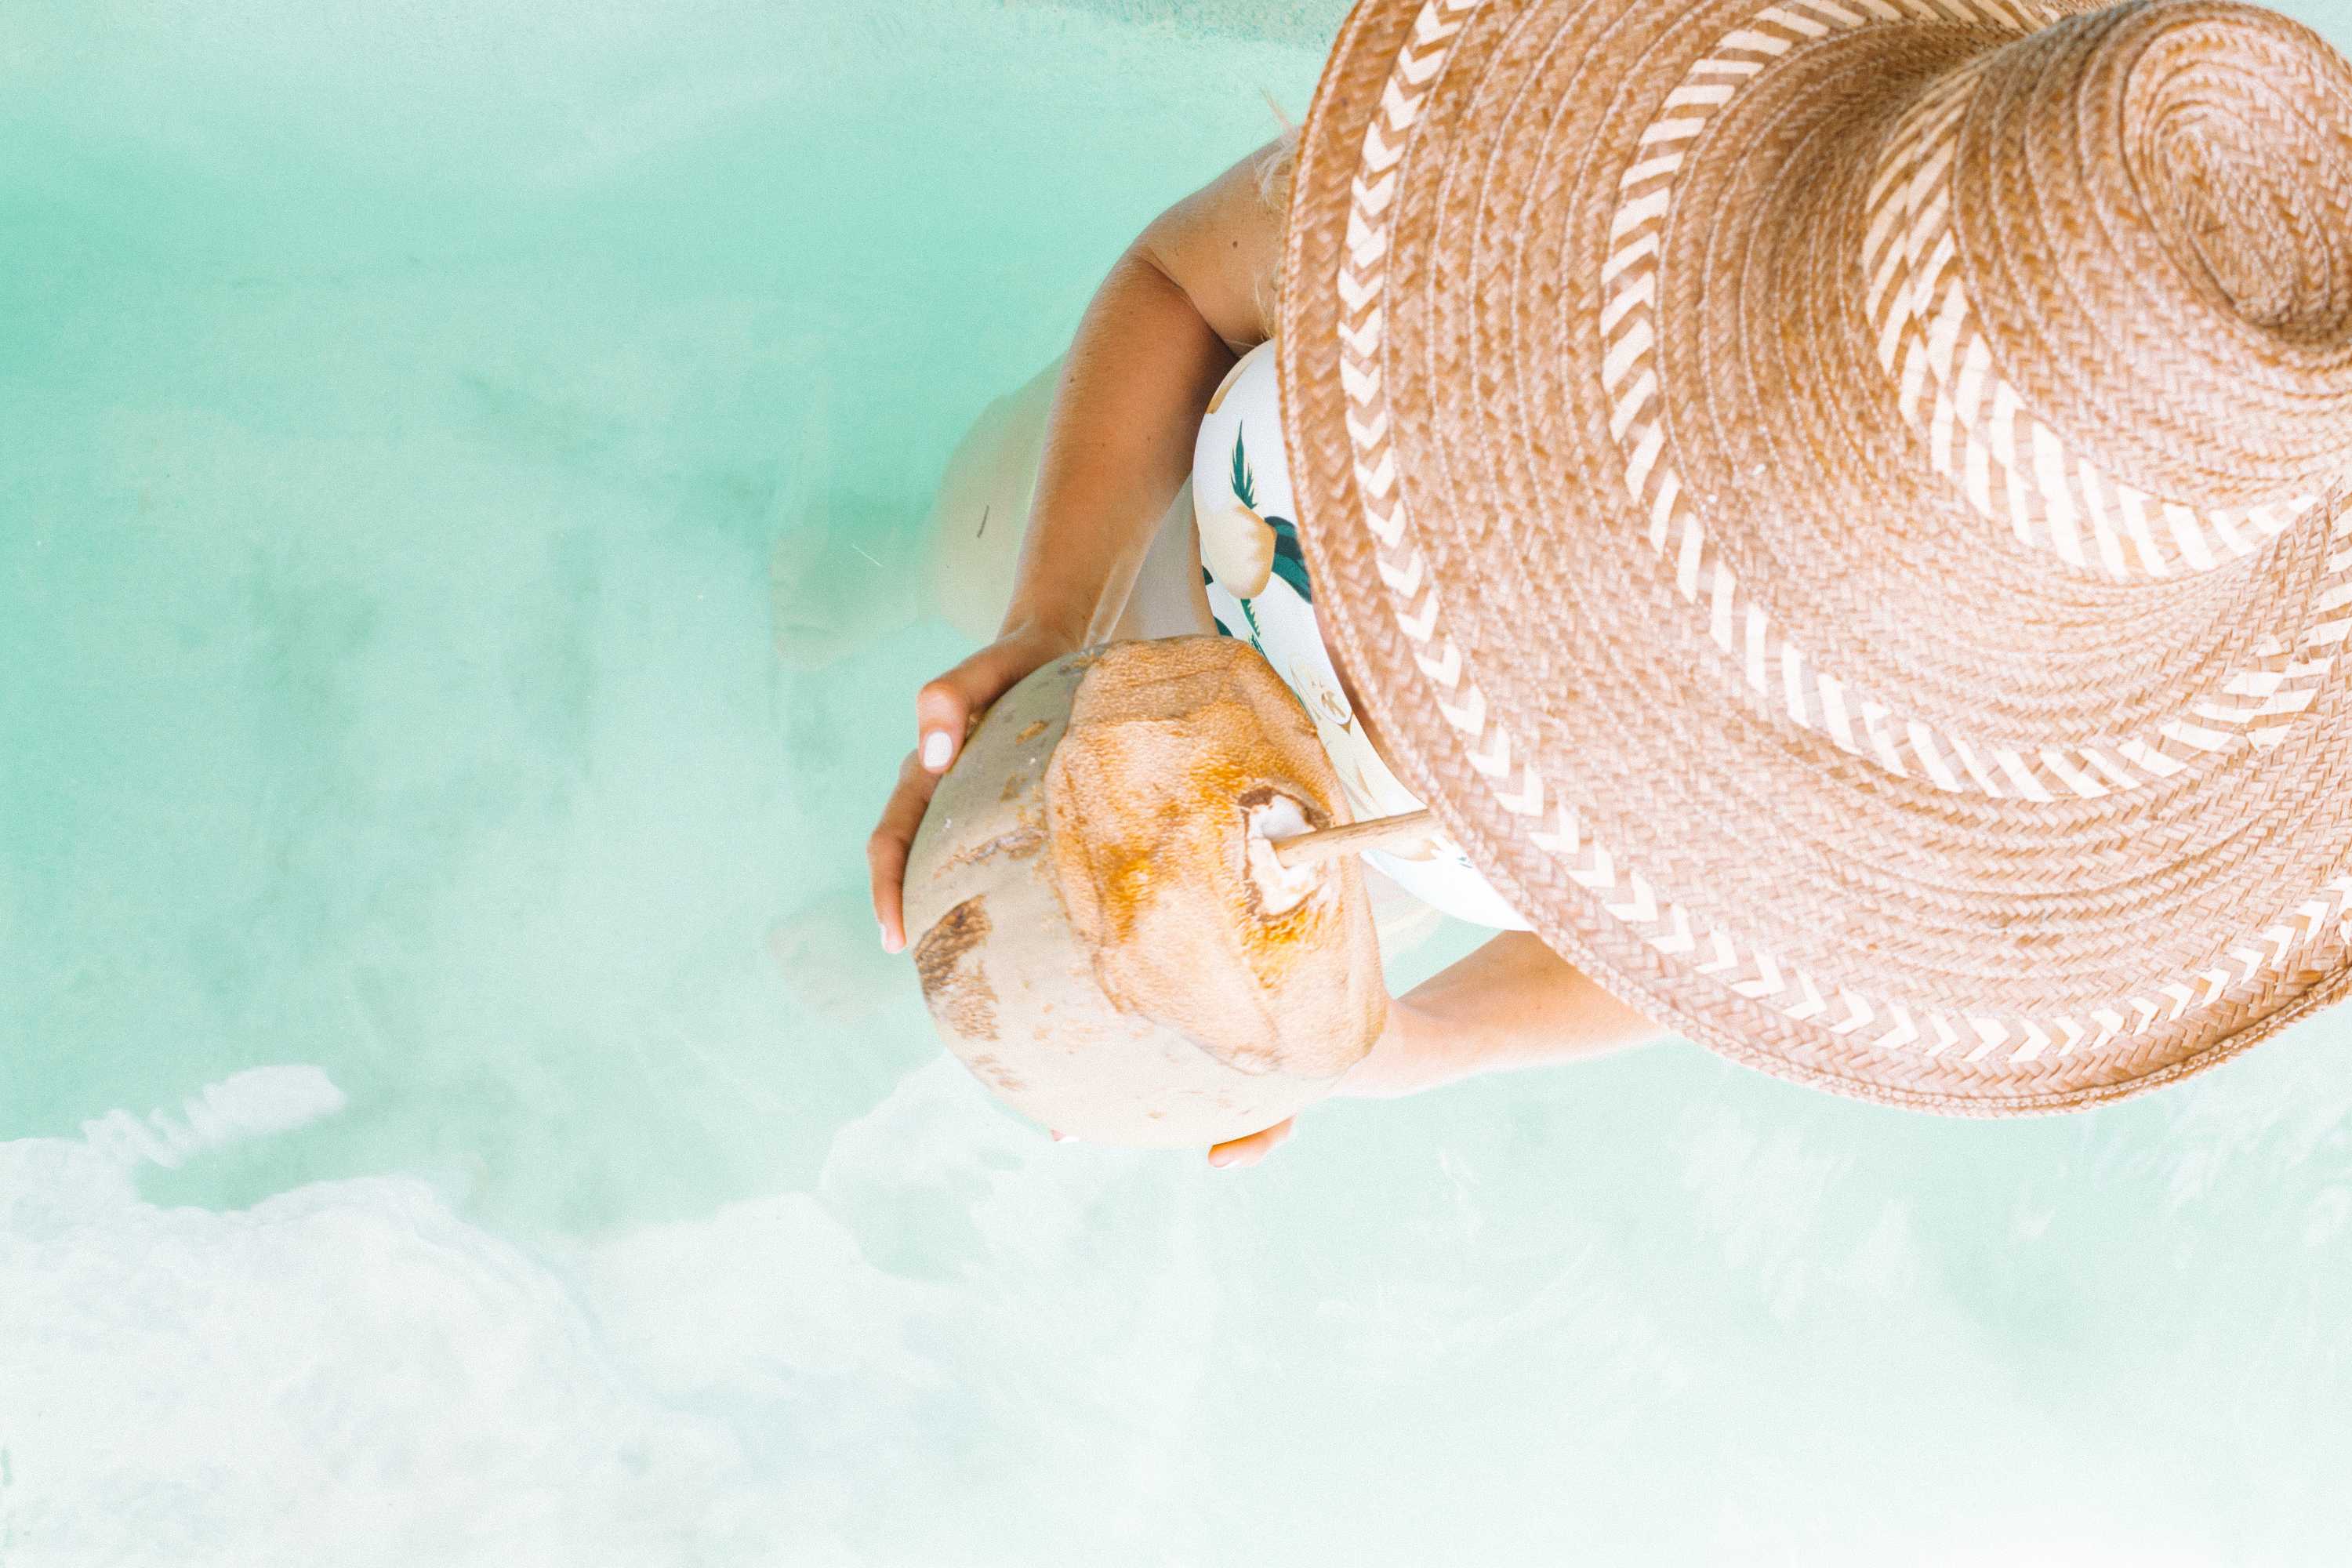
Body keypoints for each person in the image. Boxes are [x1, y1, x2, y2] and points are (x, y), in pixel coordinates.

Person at [866, 132, 1661, 1168]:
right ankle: (885, 568)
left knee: (1048, 966)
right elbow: (1183, 288)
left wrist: (1414, 1038)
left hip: (1352, 882)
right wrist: (1051, 618)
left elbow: (1705, 972)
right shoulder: (1518, 207)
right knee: (951, 545)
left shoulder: (1862, 767)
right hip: (1133, 534)